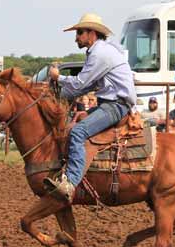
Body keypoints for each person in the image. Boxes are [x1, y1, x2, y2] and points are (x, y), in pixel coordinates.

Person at [44, 13, 137, 204]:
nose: (76, 37)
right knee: (75, 124)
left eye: (79, 33)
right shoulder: (100, 51)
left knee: (78, 132)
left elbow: (80, 84)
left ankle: (70, 183)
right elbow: (86, 86)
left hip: (115, 105)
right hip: (111, 103)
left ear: (92, 33)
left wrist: (57, 77)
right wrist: (60, 97)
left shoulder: (100, 53)